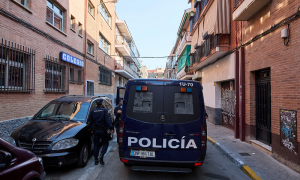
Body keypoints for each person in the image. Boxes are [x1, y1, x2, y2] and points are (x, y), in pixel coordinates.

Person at [89, 99, 113, 165]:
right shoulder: (104, 110)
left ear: (96, 104)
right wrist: (111, 128)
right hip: (103, 130)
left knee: (96, 145)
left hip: (96, 130)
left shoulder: (92, 111)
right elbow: (107, 120)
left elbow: (90, 122)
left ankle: (96, 160)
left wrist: (90, 129)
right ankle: (101, 155)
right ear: (102, 103)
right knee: (105, 143)